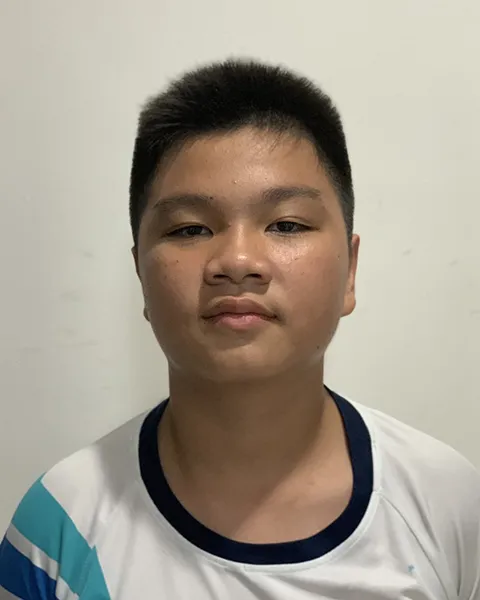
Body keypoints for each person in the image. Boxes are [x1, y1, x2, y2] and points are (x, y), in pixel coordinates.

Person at [0, 58, 479, 600]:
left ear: (350, 271)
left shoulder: (447, 501)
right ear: (141, 276)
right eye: (190, 229)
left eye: (286, 224)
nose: (237, 260)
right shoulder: (61, 523)